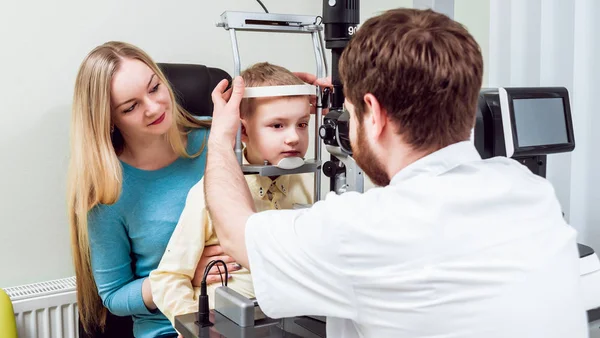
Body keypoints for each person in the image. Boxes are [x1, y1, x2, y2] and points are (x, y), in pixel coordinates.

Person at [203, 8, 588, 338]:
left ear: (376, 114)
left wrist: (222, 138)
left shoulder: (363, 229)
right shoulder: (531, 192)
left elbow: (238, 235)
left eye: (352, 114)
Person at [67, 41, 240, 338]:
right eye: (131, 107)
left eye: (155, 88)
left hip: (249, 311)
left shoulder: (222, 138)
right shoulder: (108, 191)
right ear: (108, 120)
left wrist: (297, 98)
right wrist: (181, 275)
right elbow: (114, 297)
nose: (153, 107)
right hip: (169, 327)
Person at [149, 62, 314, 326]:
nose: (294, 137)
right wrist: (193, 326)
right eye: (277, 126)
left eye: (302, 124)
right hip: (226, 325)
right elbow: (167, 278)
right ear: (244, 131)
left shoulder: (310, 184)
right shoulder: (208, 194)